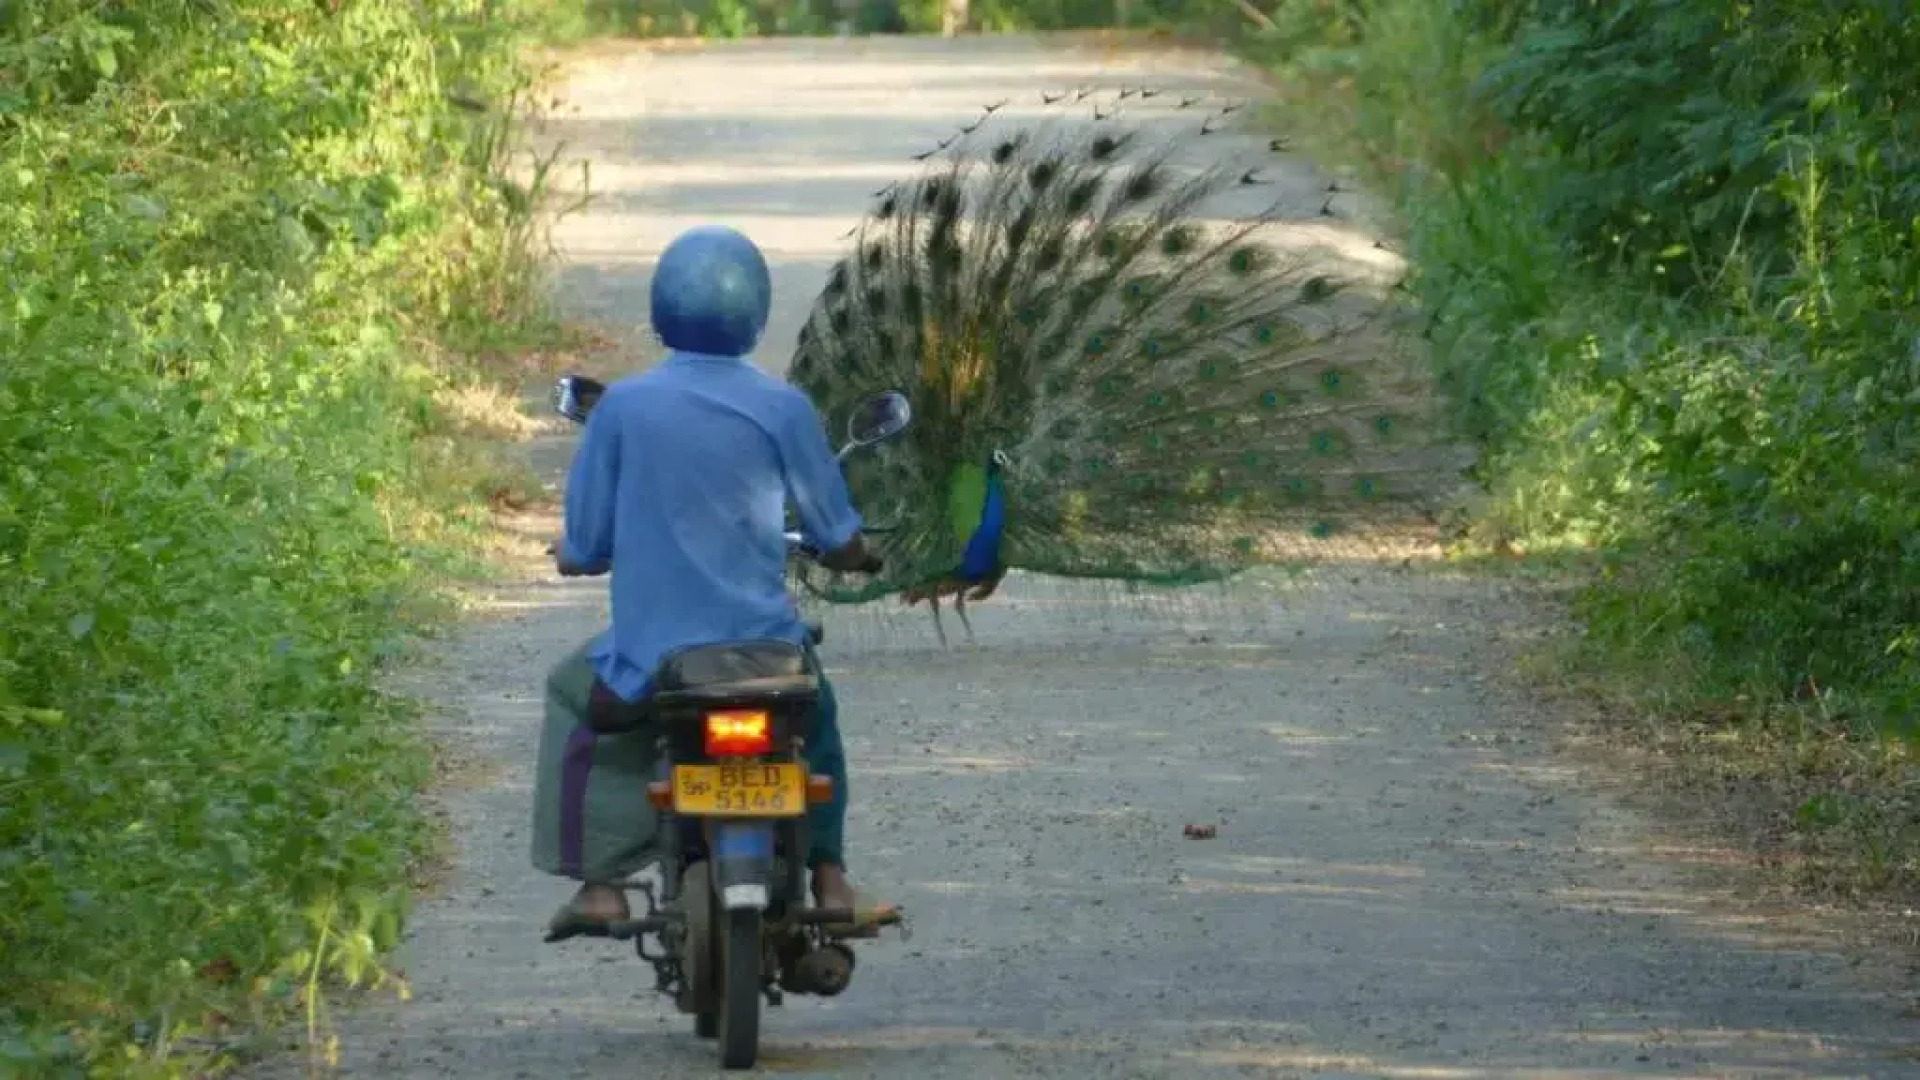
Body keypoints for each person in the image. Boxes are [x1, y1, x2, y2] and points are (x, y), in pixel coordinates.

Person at [530, 224, 884, 940]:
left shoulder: (621, 409)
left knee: (576, 701)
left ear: (660, 313)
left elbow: (587, 543)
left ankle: (600, 886)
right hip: (766, 651)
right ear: (756, 317)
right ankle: (830, 875)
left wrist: (574, 555)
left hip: (653, 661)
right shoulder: (784, 407)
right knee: (818, 723)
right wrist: (855, 556)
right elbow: (836, 531)